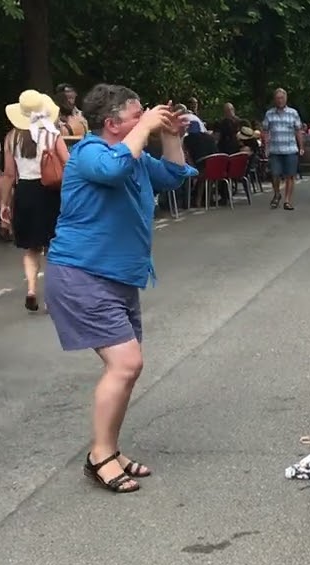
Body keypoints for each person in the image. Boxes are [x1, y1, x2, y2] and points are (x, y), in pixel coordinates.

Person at [44, 84, 196, 493]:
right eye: (136, 114)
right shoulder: (90, 153)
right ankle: (100, 456)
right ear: (111, 124)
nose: (145, 118)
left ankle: (108, 448)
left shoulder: (136, 157)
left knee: (127, 369)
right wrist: (146, 126)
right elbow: (111, 170)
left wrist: (171, 137)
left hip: (119, 278)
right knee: (126, 364)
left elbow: (174, 175)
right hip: (81, 274)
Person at [0, 90, 69, 312]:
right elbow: (68, 163)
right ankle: (51, 297)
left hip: (25, 192)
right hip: (49, 191)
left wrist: (4, 203)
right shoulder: (52, 134)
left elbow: (9, 174)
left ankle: (31, 289)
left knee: (31, 248)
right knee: (52, 246)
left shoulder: (11, 137)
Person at [262, 88, 304, 210]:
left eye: (282, 98)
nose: (280, 100)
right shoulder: (269, 114)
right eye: (278, 98)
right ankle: (277, 194)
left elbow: (298, 131)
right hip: (275, 149)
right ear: (275, 100)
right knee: (275, 174)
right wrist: (266, 146)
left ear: (286, 99)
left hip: (290, 149)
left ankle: (287, 200)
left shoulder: (293, 113)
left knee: (290, 175)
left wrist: (301, 147)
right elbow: (265, 131)